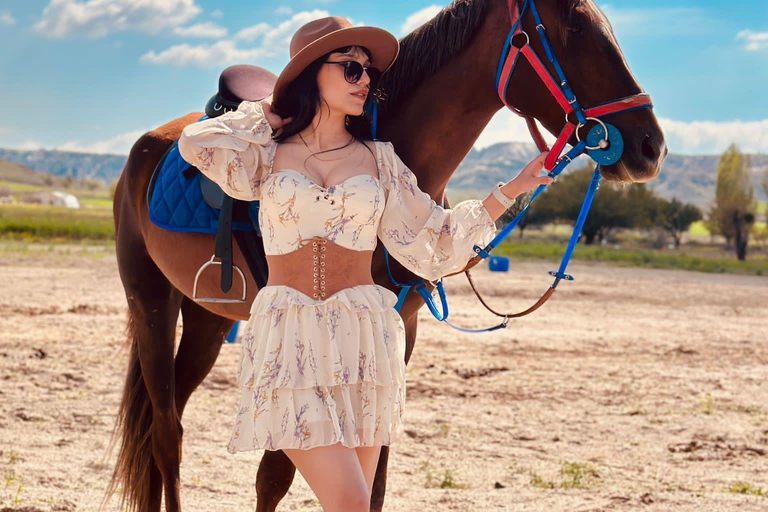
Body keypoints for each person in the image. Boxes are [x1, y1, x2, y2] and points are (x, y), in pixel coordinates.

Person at [178, 15, 553, 512]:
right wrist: (270, 111)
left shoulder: (380, 162)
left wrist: (515, 188)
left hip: (365, 338)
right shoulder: (264, 157)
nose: (366, 80)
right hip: (290, 334)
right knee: (352, 502)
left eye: (369, 72)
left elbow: (435, 241)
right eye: (351, 68)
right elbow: (196, 143)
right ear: (313, 71)